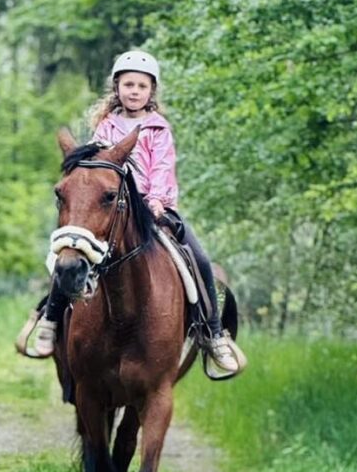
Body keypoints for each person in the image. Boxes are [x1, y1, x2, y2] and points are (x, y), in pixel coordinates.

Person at [26, 49, 246, 376]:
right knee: (71, 251)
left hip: (154, 209)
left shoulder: (158, 129)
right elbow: (96, 168)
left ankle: (213, 334)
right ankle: (51, 318)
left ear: (151, 91)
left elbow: (163, 167)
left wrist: (157, 199)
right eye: (128, 84)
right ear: (116, 88)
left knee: (197, 256)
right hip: (115, 210)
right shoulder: (106, 127)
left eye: (142, 86)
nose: (134, 91)